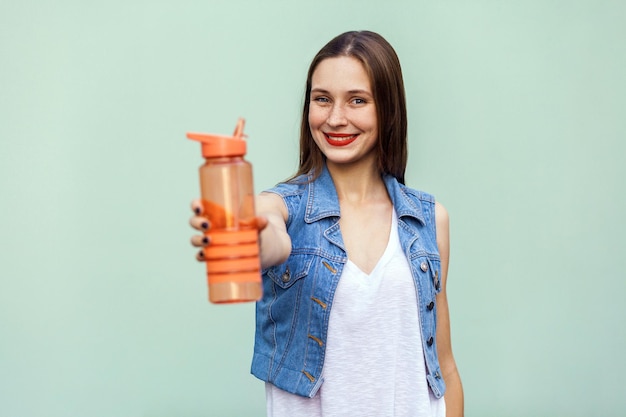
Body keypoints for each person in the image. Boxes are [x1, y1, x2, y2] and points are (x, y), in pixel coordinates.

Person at [190, 30, 464, 417]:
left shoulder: (428, 218)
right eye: (322, 99)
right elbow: (270, 234)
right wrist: (255, 240)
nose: (336, 118)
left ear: (387, 109)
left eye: (357, 100)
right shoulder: (281, 206)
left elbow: (445, 367)